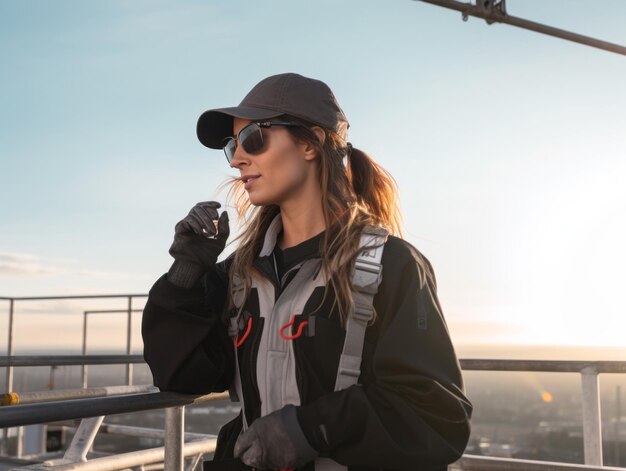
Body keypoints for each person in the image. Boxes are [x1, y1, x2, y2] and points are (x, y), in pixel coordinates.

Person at [142, 72, 472, 471]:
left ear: (310, 143)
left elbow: (435, 415)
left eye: (252, 139)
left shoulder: (391, 266)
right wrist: (187, 274)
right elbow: (180, 376)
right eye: (233, 145)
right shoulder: (242, 274)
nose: (238, 159)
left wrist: (309, 430)